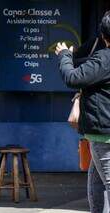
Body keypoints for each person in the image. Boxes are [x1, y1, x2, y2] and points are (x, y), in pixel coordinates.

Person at [55, 11, 110, 213]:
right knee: (96, 180)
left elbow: (73, 78)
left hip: (104, 133)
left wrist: (64, 55)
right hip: (102, 131)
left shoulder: (105, 59)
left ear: (104, 36)